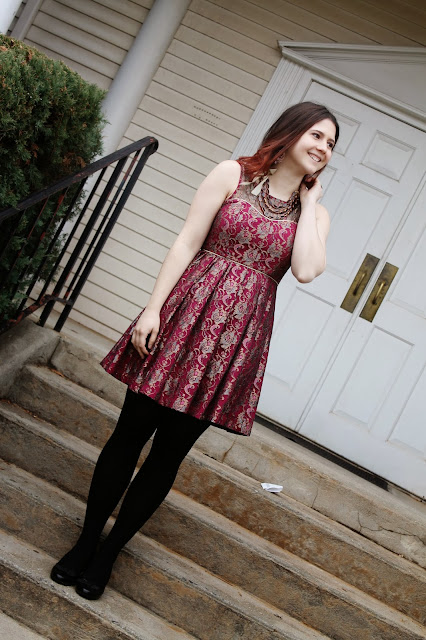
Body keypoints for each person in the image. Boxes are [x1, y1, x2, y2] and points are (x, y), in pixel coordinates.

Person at [50, 101, 339, 600]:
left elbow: (307, 270)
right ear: (290, 133)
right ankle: (85, 542)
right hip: (183, 317)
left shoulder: (317, 216)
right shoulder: (232, 174)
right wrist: (152, 309)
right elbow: (186, 242)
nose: (323, 148)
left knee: (168, 455)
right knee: (128, 435)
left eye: (331, 144)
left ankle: (109, 553)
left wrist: (310, 203)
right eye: (316, 135)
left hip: (233, 344)